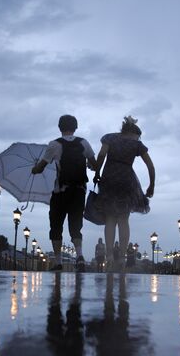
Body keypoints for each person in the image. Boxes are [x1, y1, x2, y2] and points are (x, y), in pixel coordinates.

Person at [32, 115, 97, 272]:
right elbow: (95, 165)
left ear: (60, 127)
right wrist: (90, 164)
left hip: (60, 191)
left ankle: (58, 262)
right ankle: (80, 256)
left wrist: (35, 168)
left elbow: (40, 168)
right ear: (75, 127)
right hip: (79, 190)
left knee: (56, 225)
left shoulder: (54, 145)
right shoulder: (84, 143)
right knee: (75, 225)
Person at [94, 116, 155, 270]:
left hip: (109, 179)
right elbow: (150, 166)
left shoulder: (110, 138)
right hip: (127, 181)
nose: (137, 139)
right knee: (123, 219)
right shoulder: (136, 144)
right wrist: (151, 185)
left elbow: (101, 155)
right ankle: (121, 258)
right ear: (133, 133)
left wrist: (96, 173)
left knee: (110, 219)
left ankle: (109, 256)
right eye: (137, 136)